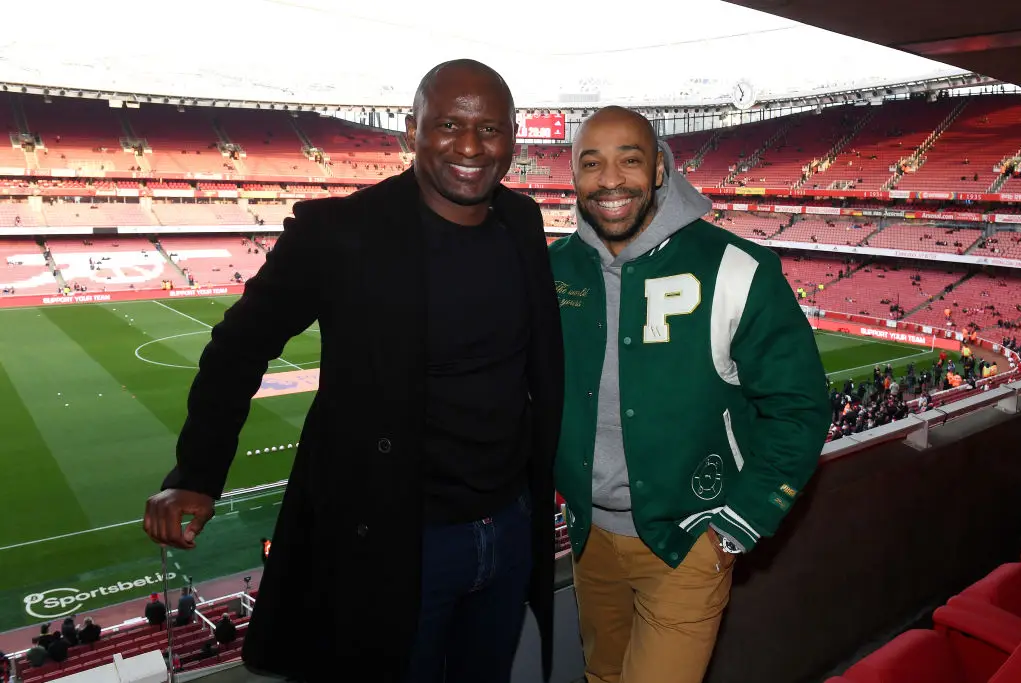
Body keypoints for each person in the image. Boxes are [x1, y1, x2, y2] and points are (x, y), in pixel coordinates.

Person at [143, 59, 564, 683]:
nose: (471, 147)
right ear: (410, 128)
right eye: (449, 124)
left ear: (512, 136)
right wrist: (199, 472)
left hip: (507, 528)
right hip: (397, 542)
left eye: (491, 129)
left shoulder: (523, 223)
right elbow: (238, 346)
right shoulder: (340, 233)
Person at [548, 107, 831, 683]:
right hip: (588, 539)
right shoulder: (550, 269)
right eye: (591, 162)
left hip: (686, 542)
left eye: (629, 159)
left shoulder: (738, 267)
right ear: (573, 176)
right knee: (602, 676)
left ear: (658, 168)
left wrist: (739, 521)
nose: (609, 179)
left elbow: (799, 405)